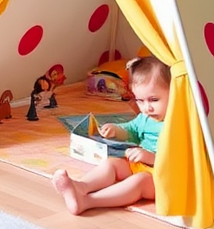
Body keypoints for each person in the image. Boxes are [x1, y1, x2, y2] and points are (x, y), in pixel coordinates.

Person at [51, 55, 170, 216]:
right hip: (139, 164)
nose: (146, 107)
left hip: (162, 178)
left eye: (154, 100)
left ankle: (88, 201)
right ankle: (81, 186)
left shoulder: (178, 123)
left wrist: (150, 157)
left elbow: (181, 160)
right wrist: (116, 130)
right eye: (140, 100)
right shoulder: (146, 118)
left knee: (139, 181)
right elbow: (131, 129)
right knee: (111, 164)